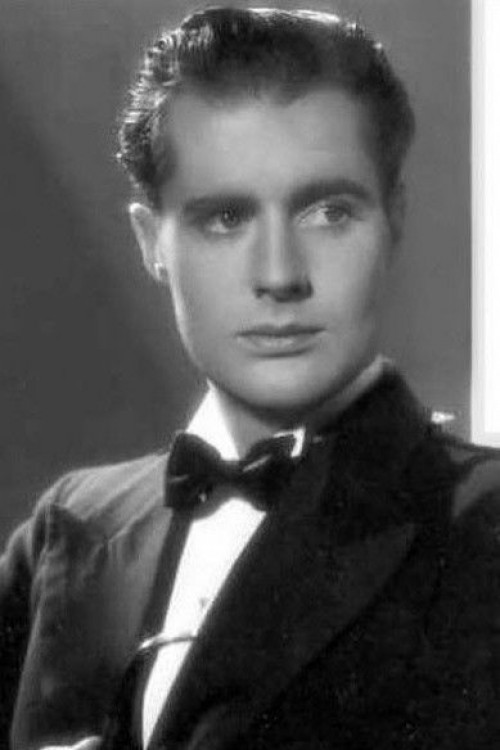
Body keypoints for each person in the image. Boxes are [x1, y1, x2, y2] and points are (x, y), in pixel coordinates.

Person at [1, 6, 500, 750]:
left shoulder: (485, 524)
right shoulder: (70, 528)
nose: (279, 274)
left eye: (329, 213)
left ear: (393, 219)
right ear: (150, 241)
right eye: (225, 219)